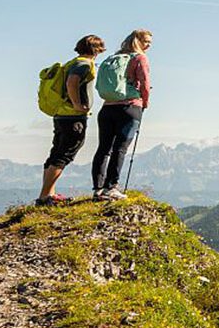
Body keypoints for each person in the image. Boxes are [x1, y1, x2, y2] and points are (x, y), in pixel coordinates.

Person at [38, 35, 105, 205]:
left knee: (56, 153)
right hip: (73, 117)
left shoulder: (72, 62)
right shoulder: (84, 63)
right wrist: (77, 104)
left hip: (61, 114)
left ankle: (48, 195)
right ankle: (45, 197)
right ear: (96, 49)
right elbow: (72, 82)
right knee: (65, 154)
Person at [92, 29, 153, 200]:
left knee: (103, 148)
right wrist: (145, 103)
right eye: (146, 41)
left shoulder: (114, 58)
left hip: (107, 108)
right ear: (137, 41)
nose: (148, 45)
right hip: (129, 108)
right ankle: (111, 187)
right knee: (120, 148)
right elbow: (145, 84)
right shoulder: (139, 58)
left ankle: (98, 189)